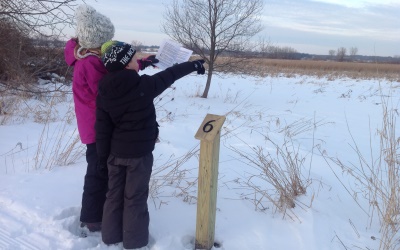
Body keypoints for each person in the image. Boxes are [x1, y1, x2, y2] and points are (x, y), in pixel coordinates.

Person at [96, 40, 205, 249]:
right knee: (135, 197)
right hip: (139, 156)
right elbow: (170, 75)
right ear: (126, 64)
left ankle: (110, 238)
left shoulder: (103, 92)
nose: (138, 61)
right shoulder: (143, 85)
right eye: (135, 58)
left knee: (113, 196)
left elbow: (101, 129)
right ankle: (134, 242)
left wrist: (103, 158)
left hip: (114, 154)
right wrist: (194, 65)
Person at [64, 5, 158, 237]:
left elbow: (115, 72)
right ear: (95, 39)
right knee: (97, 171)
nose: (109, 42)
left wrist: (140, 63)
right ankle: (92, 217)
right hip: (98, 128)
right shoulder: (91, 63)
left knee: (102, 169)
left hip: (97, 124)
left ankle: (100, 214)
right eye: (105, 38)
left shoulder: (89, 56)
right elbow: (110, 92)